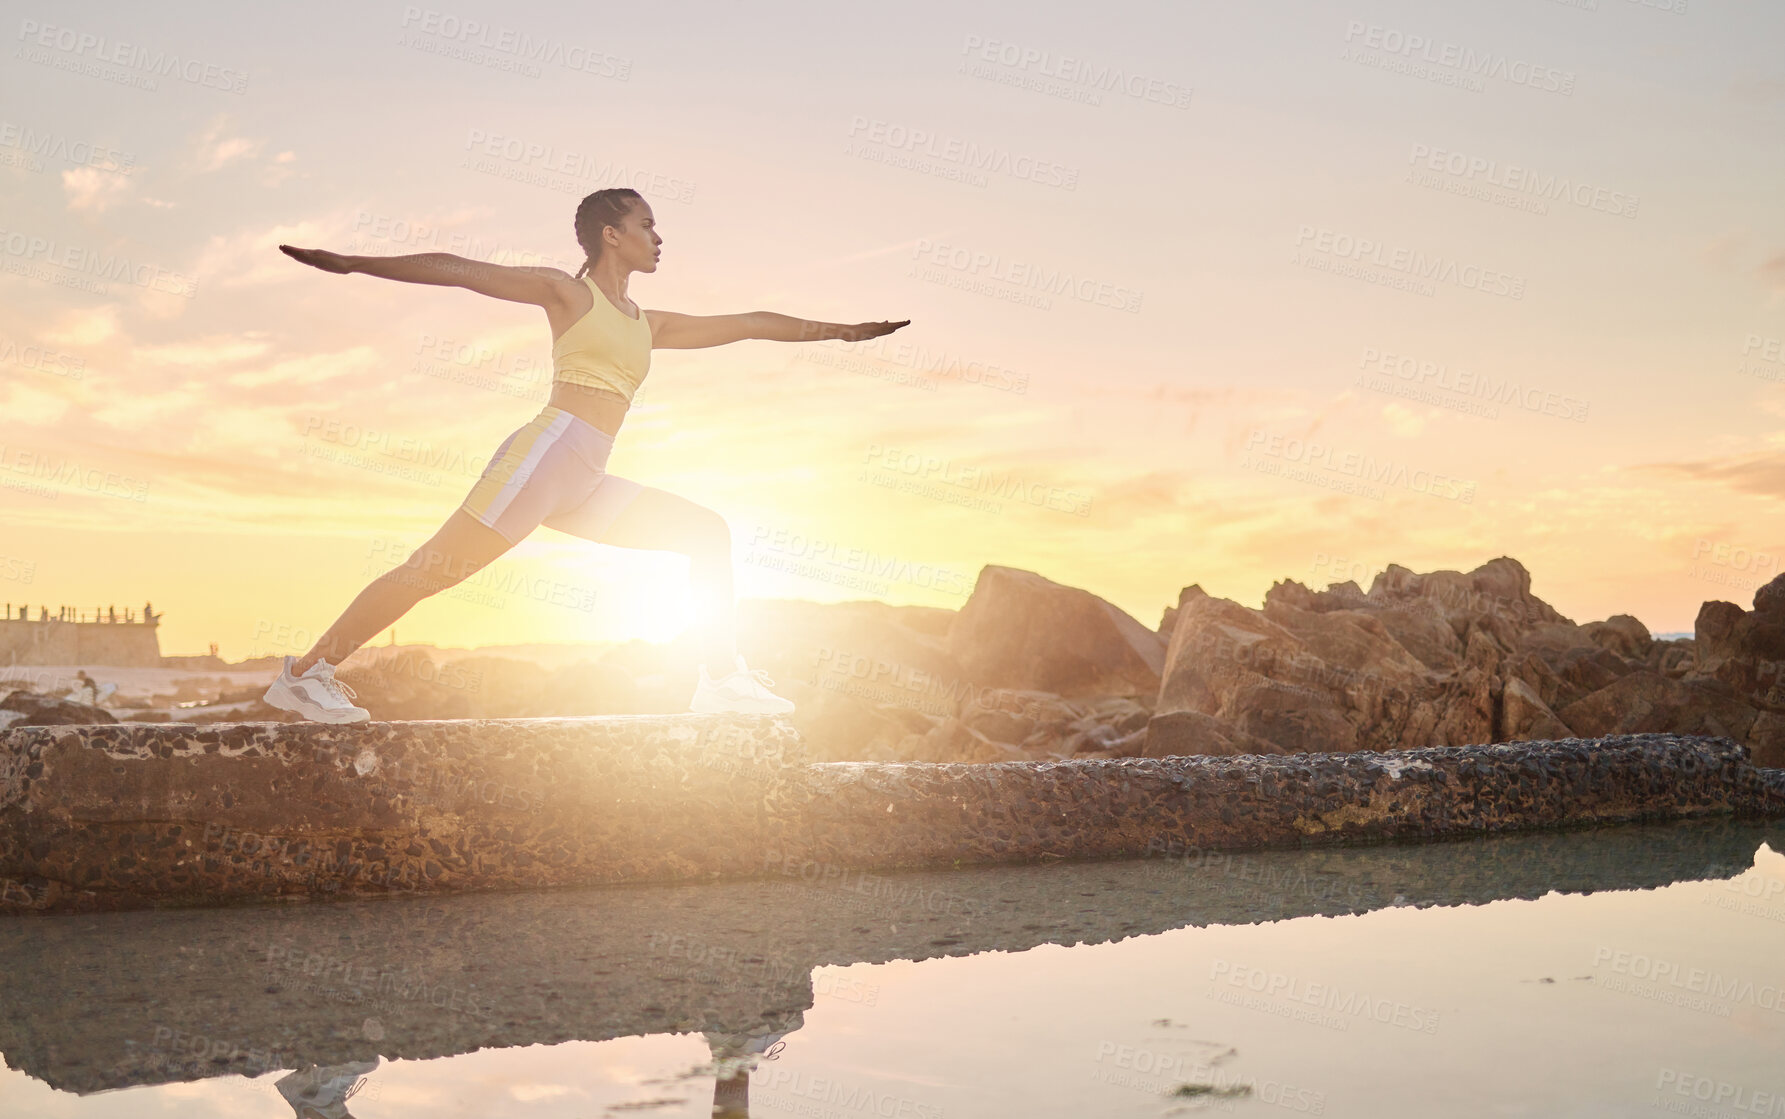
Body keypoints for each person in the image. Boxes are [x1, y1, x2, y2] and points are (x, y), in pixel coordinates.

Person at [262, 188, 909, 724]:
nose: (659, 237)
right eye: (647, 225)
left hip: (586, 479)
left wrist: (843, 332)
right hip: (544, 456)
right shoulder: (567, 294)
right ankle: (307, 672)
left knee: (706, 534)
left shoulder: (647, 323)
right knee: (432, 570)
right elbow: (457, 268)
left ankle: (719, 680)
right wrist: (353, 262)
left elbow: (748, 322)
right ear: (610, 234)